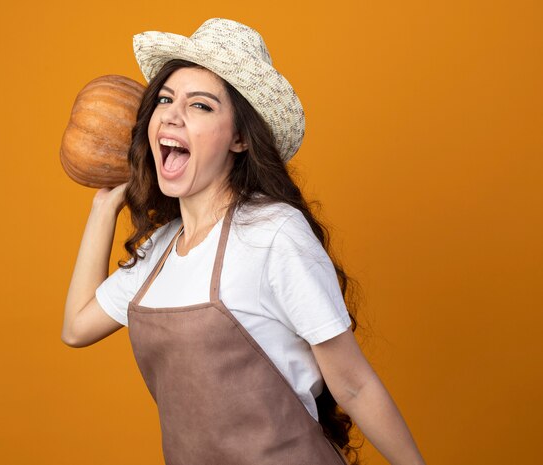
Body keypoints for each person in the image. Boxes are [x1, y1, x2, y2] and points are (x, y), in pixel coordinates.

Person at [61, 18, 426, 465]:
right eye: (164, 99)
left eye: (200, 106)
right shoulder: (161, 249)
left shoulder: (273, 232)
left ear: (238, 138)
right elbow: (76, 327)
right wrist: (104, 208)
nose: (172, 114)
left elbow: (354, 385)